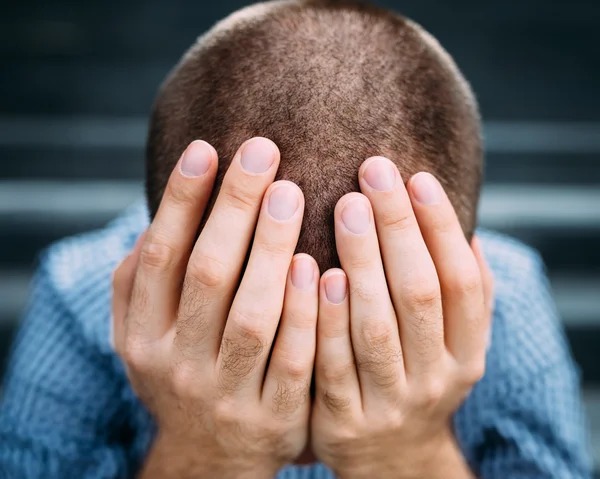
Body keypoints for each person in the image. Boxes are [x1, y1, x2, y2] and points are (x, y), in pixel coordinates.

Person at [0, 1, 592, 478]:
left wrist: (405, 456)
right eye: (243, 347)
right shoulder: (77, 292)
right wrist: (207, 458)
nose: (293, 422)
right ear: (172, 272)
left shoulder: (505, 300)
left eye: (361, 352)